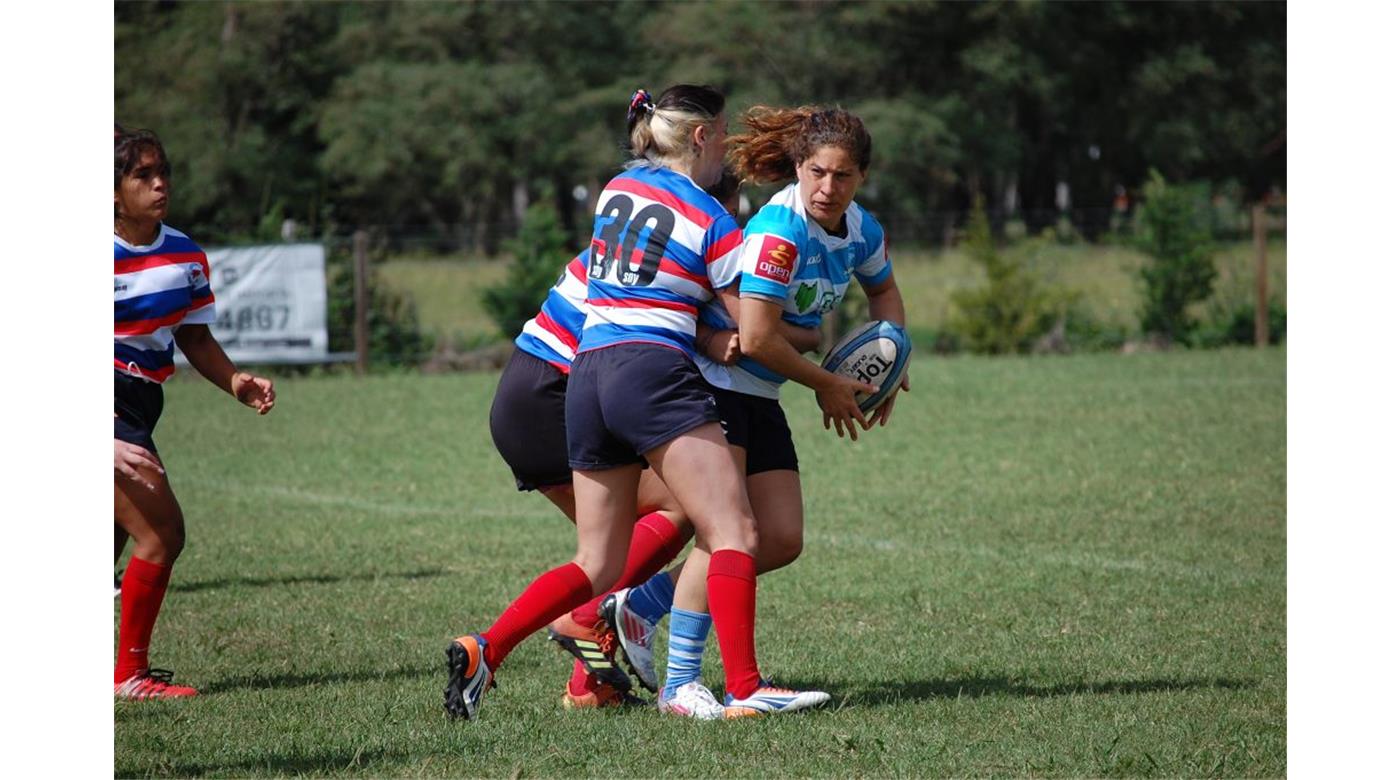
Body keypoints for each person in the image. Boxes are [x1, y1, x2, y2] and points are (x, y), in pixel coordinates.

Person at [445, 85, 840, 721]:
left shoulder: (618, 190)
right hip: (616, 376)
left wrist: (719, 333)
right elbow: (754, 325)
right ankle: (739, 685)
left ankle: (487, 647)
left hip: (579, 379)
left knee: (600, 559)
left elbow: (681, 308)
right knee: (725, 522)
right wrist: (811, 341)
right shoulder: (710, 222)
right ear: (704, 139)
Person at [604, 105, 909, 717]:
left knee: (782, 538)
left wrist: (892, 359)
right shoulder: (779, 229)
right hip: (717, 383)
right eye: (817, 173)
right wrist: (827, 383)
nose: (828, 188)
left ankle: (644, 605)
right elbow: (762, 336)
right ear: (798, 168)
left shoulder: (861, 230)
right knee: (727, 535)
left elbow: (884, 293)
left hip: (761, 391)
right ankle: (681, 684)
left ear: (862, 179)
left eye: (843, 176)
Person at [114, 126, 277, 699]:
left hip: (140, 404)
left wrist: (235, 380)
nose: (160, 184)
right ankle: (129, 675)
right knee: (162, 532)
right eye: (142, 175)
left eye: (164, 173)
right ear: (112, 191)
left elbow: (195, 339)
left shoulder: (183, 252)